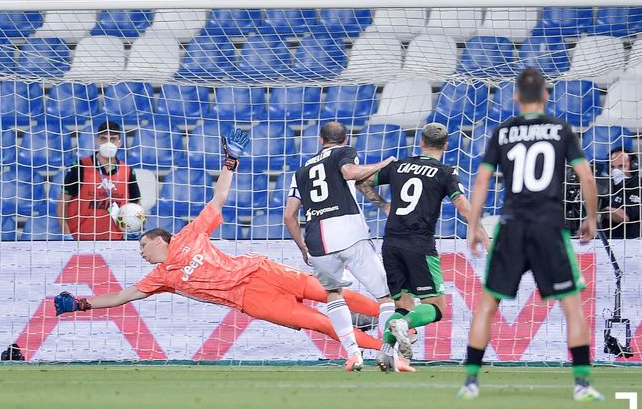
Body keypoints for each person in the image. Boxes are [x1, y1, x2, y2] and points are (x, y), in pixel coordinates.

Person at [53, 129, 383, 365]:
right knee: (322, 324)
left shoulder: (190, 234)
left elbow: (219, 197)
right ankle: (386, 347)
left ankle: (397, 314)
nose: (141, 252)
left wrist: (230, 163)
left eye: (143, 244)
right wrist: (82, 304)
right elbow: (121, 296)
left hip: (261, 270)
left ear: (159, 238)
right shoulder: (161, 277)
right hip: (250, 300)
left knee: (329, 292)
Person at [458, 67, 603, 401]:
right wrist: (591, 218)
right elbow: (587, 178)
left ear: (515, 97)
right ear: (546, 96)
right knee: (571, 305)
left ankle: (470, 383)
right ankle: (582, 384)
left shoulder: (503, 132)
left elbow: (481, 180)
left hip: (511, 225)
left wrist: (474, 227)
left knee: (488, 303)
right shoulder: (561, 129)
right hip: (549, 225)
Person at [357, 122, 488, 372]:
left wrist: (384, 205)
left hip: (391, 242)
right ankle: (405, 326)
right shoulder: (445, 172)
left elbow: (362, 182)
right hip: (419, 244)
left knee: (403, 305)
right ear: (446, 145)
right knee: (436, 306)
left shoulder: (398, 165)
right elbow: (462, 206)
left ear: (421, 142)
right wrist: (483, 236)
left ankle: (386, 352)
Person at [284, 122, 397, 372]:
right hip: (349, 232)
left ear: (320, 140)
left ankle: (353, 355)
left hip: (317, 240)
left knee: (333, 294)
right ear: (344, 140)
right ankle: (388, 353)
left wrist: (303, 247)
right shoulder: (343, 153)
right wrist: (381, 165)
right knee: (385, 296)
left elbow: (289, 216)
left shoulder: (301, 170)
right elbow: (349, 173)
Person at [58, 121, 141, 240]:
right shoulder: (79, 167)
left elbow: (136, 204)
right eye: (103, 138)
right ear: (98, 141)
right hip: (80, 240)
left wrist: (135, 227)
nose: (108, 143)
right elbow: (62, 203)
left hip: (115, 241)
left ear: (119, 143)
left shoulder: (128, 171)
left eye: (112, 139)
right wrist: (66, 234)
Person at [593, 148, 641, 239]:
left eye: (621, 166)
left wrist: (601, 211)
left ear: (633, 166)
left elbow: (624, 217)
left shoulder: (638, 186)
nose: (615, 171)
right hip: (606, 241)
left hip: (632, 243)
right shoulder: (607, 185)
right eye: (612, 167)